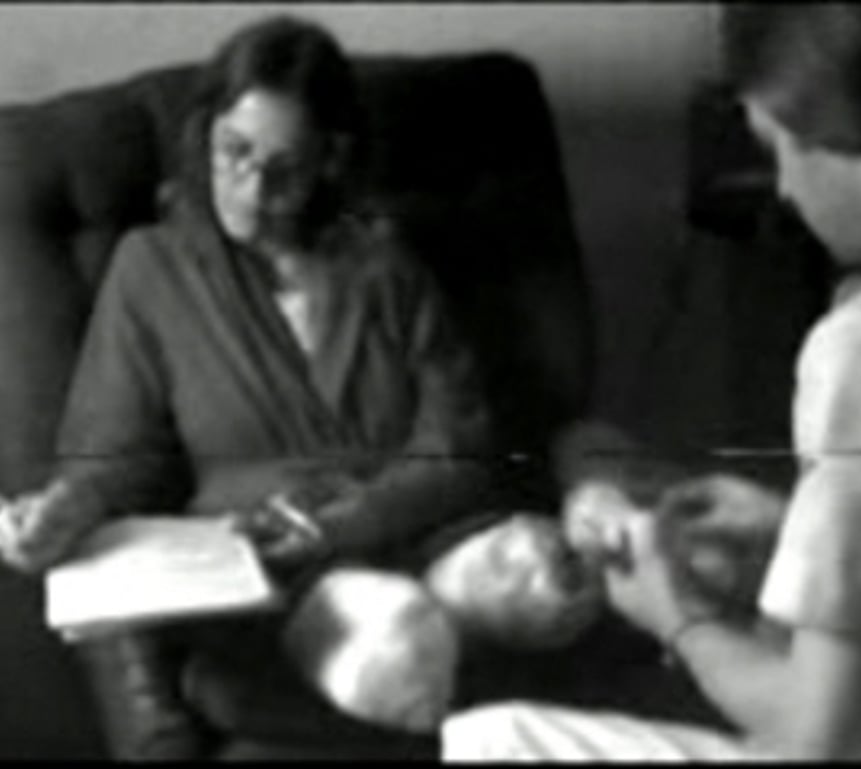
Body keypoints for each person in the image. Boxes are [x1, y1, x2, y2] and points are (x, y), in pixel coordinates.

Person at [442, 2, 861, 760]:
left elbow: (823, 740)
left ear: (826, 132)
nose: (781, 187)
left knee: (492, 740)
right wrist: (801, 532)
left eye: (774, 147)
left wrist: (677, 616)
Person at [0, 15, 498, 735]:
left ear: (332, 159)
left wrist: (346, 523)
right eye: (234, 151)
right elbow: (116, 457)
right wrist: (65, 506)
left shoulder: (386, 268)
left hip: (415, 539)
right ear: (204, 134)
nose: (253, 189)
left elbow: (461, 447)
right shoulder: (152, 268)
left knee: (536, 577)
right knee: (392, 644)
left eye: (284, 168)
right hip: (263, 576)